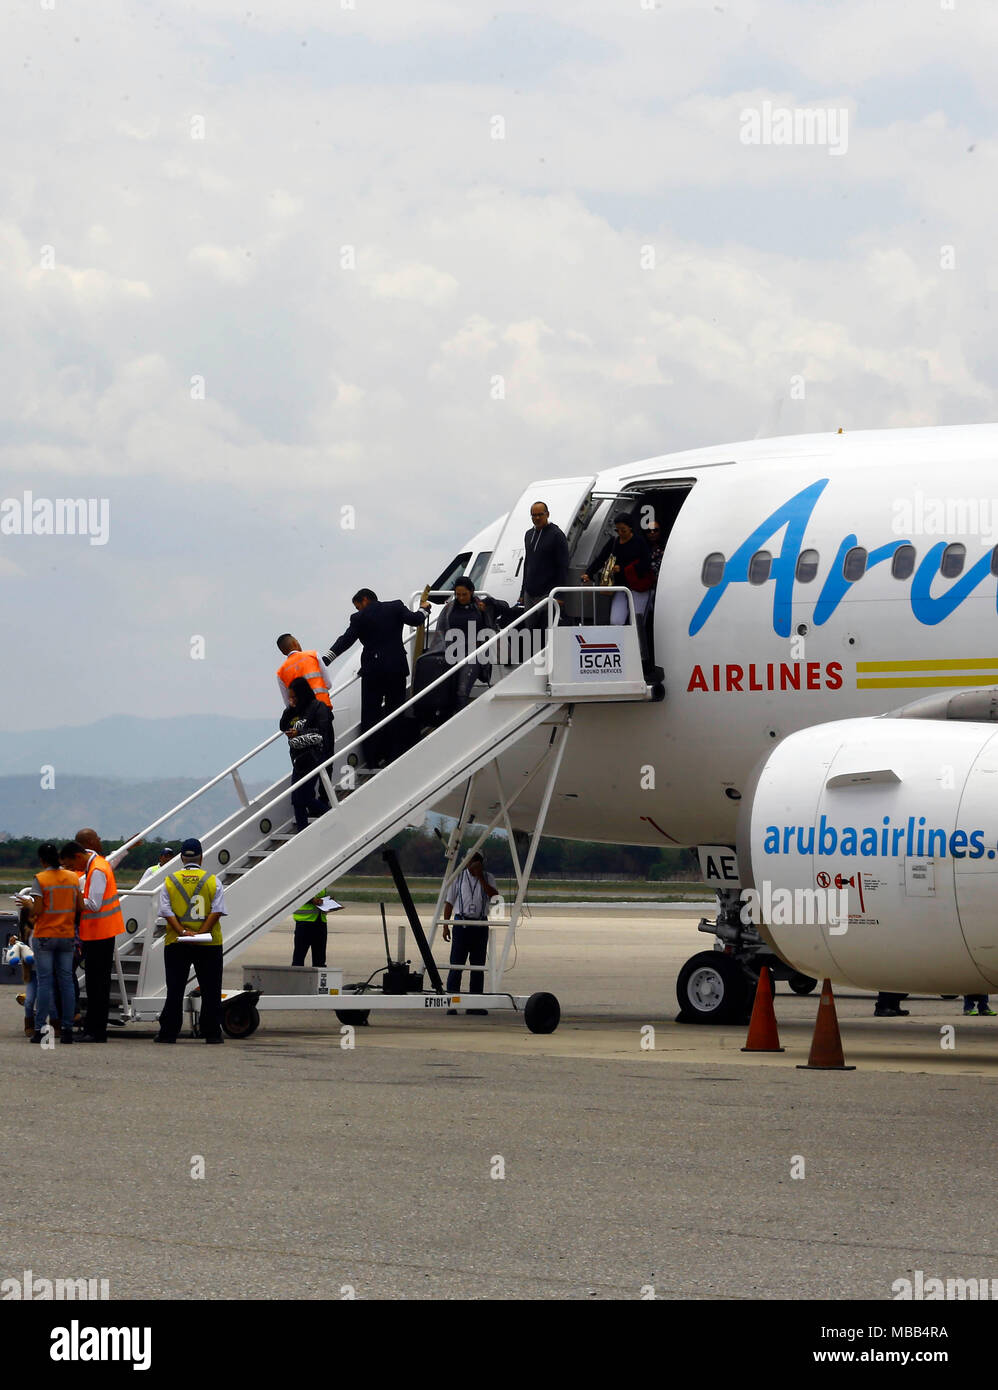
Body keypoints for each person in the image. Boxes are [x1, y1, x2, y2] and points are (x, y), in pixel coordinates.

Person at [322, 588, 430, 768]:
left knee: (370, 715)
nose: (358, 610)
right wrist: (424, 609)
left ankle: (372, 760)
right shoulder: (395, 607)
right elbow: (416, 620)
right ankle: (395, 754)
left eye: (358, 606)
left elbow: (346, 640)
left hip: (372, 672)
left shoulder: (359, 618)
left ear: (364, 600)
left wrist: (326, 659)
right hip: (396, 668)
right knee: (395, 711)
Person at [155, 838, 227, 1044]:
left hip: (177, 942)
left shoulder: (170, 881)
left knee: (175, 989)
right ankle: (212, 1033)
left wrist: (183, 931)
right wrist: (200, 933)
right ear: (201, 857)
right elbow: (217, 910)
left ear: (181, 858)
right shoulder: (213, 880)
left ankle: (168, 1033)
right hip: (209, 943)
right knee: (211, 989)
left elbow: (166, 911)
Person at [61, 839, 126, 1042]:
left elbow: (94, 904)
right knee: (96, 984)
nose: (73, 871)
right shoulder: (96, 862)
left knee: (97, 985)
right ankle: (93, 1028)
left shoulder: (97, 870)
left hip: (101, 933)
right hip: (99, 933)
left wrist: (70, 897)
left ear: (78, 857)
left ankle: (96, 1031)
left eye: (71, 866)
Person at [25, 843, 82, 1044]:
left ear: (42, 860)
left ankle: (40, 1029)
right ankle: (67, 1029)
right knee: (66, 981)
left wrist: (28, 905)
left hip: (45, 936)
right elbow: (80, 906)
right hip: (66, 935)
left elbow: (37, 910)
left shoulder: (40, 879)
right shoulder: (73, 878)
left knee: (45, 982)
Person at [430, 578, 510, 709]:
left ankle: (461, 723)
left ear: (472, 592)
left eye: (464, 594)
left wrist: (489, 604)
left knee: (462, 691)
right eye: (458, 594)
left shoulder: (481, 605)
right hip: (453, 654)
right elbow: (441, 632)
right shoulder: (449, 608)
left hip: (475, 654)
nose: (461, 598)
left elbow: (506, 608)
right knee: (449, 692)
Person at [442, 853, 498, 1015]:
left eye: (478, 865)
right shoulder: (458, 878)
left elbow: (495, 897)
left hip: (480, 924)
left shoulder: (488, 877)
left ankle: (475, 1003)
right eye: (472, 865)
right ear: (467, 864)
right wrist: (445, 926)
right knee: (456, 964)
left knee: (477, 966)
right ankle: (452, 1001)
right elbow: (449, 902)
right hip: (462, 924)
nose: (474, 868)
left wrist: (480, 877)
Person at [280, 676, 335, 830]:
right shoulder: (296, 709)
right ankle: (302, 830)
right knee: (297, 800)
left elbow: (322, 730)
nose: (292, 700)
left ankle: (332, 816)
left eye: (294, 697)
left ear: (302, 694)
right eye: (289, 697)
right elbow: (282, 725)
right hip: (299, 759)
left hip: (314, 758)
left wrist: (299, 732)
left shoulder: (318, 707)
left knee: (304, 798)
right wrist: (289, 709)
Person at [582, 512, 653, 625]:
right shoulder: (614, 541)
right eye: (617, 530)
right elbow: (601, 558)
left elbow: (646, 562)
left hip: (638, 587)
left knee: (636, 622)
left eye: (623, 530)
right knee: (616, 621)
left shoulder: (639, 542)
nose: (620, 533)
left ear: (630, 528)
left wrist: (623, 569)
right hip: (621, 586)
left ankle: (638, 642)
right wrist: (589, 573)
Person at [519, 501, 569, 632]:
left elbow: (562, 566)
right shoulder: (528, 534)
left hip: (548, 593)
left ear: (547, 514)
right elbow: (527, 563)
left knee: (544, 630)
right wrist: (522, 592)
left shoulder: (557, 535)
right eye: (533, 515)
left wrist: (560, 595)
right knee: (529, 631)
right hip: (530, 592)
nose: (536, 518)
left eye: (540, 514)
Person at [275, 634, 332, 709]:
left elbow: (288, 703)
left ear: (283, 652)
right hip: (323, 706)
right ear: (295, 643)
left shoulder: (280, 673)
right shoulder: (313, 655)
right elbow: (328, 684)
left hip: (303, 714)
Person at [292, 895, 328, 967]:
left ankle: (319, 977)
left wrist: (328, 902)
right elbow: (297, 894)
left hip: (320, 921)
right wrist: (312, 900)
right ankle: (296, 977)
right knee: (299, 957)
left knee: (320, 959)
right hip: (304, 921)